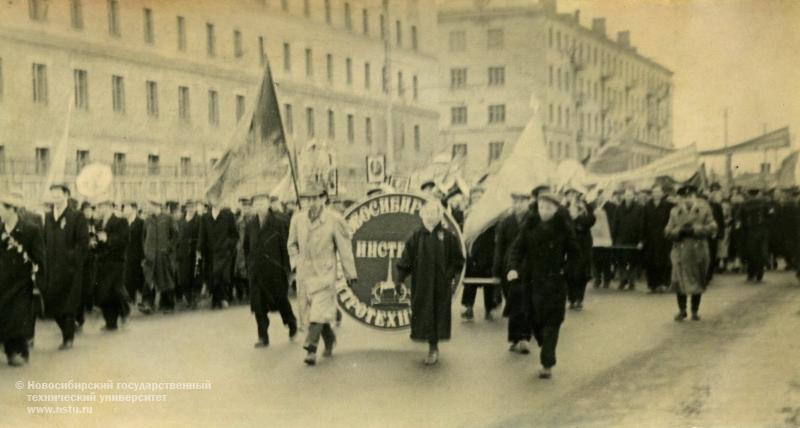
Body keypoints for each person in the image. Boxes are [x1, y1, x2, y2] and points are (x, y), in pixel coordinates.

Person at [507, 190, 579, 379]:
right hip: (532, 281)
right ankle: (543, 344)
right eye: (541, 207)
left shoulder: (563, 228)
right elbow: (516, 249)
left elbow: (575, 254)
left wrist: (566, 271)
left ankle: (547, 362)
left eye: (548, 208)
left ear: (555, 209)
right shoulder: (529, 225)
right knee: (534, 319)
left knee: (552, 322)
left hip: (555, 283)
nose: (544, 211)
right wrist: (513, 268)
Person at [288, 184, 357, 366]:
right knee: (315, 313)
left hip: (325, 272)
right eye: (308, 199)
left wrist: (351, 273)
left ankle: (311, 348)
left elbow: (345, 248)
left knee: (318, 311)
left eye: (316, 199)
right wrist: (296, 263)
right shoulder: (297, 220)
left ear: (323, 199)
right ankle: (329, 338)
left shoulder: (334, 220)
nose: (312, 203)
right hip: (305, 273)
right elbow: (292, 245)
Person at [396, 200, 464, 365]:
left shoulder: (448, 237)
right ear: (423, 215)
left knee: (437, 315)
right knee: (424, 313)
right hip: (422, 285)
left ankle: (434, 348)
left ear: (440, 215)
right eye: (428, 213)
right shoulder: (417, 236)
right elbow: (406, 260)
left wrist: (449, 276)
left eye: (434, 213)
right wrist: (400, 280)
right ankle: (430, 343)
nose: (431, 216)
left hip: (441, 286)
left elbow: (458, 261)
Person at [245, 193, 297, 347]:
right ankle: (263, 337)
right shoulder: (250, 225)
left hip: (275, 272)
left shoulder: (279, 223)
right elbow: (246, 248)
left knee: (281, 301)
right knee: (258, 306)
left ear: (268, 204)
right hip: (256, 272)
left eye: (262, 202)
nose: (259, 206)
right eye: (256, 203)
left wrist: (288, 269)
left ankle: (291, 322)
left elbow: (287, 247)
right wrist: (249, 267)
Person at [43, 183, 89, 350]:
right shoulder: (48, 217)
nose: (55, 198)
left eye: (58, 194)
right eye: (53, 194)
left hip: (70, 270)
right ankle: (68, 331)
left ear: (67, 195)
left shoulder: (76, 216)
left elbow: (84, 243)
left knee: (68, 304)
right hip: (52, 269)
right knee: (53, 303)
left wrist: (72, 260)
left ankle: (68, 339)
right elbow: (45, 241)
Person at [0, 191, 44, 366]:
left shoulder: (30, 229)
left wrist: (40, 282)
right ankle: (10, 350)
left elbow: (40, 257)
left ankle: (20, 352)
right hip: (2, 281)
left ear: (11, 209)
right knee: (4, 316)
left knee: (17, 317)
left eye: (1, 209)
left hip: (21, 282)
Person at [665, 185, 717, 321]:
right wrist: (677, 231)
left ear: (695, 197)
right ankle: (682, 310)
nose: (687, 199)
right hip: (680, 249)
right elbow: (667, 230)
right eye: (684, 197)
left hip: (697, 249)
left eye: (690, 196)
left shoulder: (704, 210)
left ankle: (694, 310)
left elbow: (713, 226)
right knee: (678, 279)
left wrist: (698, 229)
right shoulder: (674, 212)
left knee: (697, 279)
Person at [494, 191, 532, 354]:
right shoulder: (506, 222)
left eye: (521, 202)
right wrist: (496, 269)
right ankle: (515, 338)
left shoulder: (534, 221)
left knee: (525, 303)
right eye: (515, 202)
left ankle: (524, 338)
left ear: (528, 202)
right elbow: (499, 247)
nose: (518, 205)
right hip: (508, 268)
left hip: (528, 268)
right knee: (513, 302)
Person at [92, 199, 130, 330]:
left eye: (101, 206)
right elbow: (98, 242)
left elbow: (124, 240)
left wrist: (108, 238)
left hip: (116, 261)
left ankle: (125, 312)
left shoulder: (120, 221)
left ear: (109, 206)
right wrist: (94, 244)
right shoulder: (98, 223)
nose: (99, 210)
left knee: (115, 290)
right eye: (98, 207)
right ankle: (110, 322)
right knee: (104, 293)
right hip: (102, 262)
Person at [199, 199, 239, 309]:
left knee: (224, 276)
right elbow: (202, 235)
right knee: (213, 275)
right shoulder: (205, 217)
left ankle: (224, 298)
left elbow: (234, 235)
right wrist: (201, 249)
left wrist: (228, 246)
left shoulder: (228, 215)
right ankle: (215, 299)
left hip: (224, 252)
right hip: (210, 253)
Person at [141, 199, 178, 314]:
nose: (150, 208)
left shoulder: (168, 219)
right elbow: (143, 237)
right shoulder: (147, 220)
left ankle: (168, 305)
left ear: (158, 206)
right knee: (149, 279)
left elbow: (175, 235)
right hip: (151, 256)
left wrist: (169, 248)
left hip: (164, 256)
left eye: (152, 206)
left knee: (166, 280)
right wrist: (146, 250)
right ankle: (148, 304)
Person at [565, 188, 595, 309]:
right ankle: (571, 298)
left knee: (582, 272)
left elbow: (591, 220)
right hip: (568, 245)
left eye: (574, 194)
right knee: (569, 273)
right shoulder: (563, 207)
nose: (572, 196)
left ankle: (579, 298)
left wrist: (577, 218)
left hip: (583, 244)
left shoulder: (584, 206)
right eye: (569, 194)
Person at [642, 185, 674, 293]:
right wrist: (643, 238)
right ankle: (652, 284)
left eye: (658, 192)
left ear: (662, 194)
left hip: (664, 238)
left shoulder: (668, 206)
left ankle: (664, 283)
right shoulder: (647, 206)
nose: (656, 194)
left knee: (664, 261)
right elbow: (643, 223)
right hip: (650, 239)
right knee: (650, 262)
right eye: (654, 192)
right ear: (652, 193)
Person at [612, 188, 644, 290]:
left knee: (633, 261)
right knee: (621, 261)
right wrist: (614, 238)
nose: (628, 196)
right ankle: (623, 280)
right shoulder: (618, 208)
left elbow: (642, 225)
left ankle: (631, 281)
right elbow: (615, 224)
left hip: (634, 238)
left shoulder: (639, 208)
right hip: (621, 238)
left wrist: (641, 240)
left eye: (630, 195)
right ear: (624, 196)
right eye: (627, 195)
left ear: (634, 196)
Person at [740, 188, 771, 282]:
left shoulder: (744, 204)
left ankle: (751, 273)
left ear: (749, 194)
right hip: (762, 230)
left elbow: (741, 218)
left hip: (750, 231)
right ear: (758, 193)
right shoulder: (764, 203)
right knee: (761, 251)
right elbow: (770, 215)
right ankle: (760, 274)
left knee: (751, 252)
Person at [176, 200, 201, 309]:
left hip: (195, 251)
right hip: (183, 252)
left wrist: (199, 250)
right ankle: (188, 296)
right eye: (189, 206)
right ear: (185, 208)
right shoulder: (180, 220)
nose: (191, 209)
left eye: (193, 206)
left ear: (195, 208)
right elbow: (177, 236)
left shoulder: (199, 220)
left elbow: (202, 235)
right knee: (184, 277)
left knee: (195, 276)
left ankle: (193, 300)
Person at [590, 189, 615, 289]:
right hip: (595, 238)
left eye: (603, 196)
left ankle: (607, 280)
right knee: (596, 260)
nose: (601, 198)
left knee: (606, 260)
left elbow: (613, 220)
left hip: (606, 238)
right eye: (599, 196)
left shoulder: (611, 207)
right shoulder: (593, 206)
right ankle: (597, 279)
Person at [123, 202, 145, 306]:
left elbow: (143, 240)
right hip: (127, 255)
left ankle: (142, 299)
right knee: (128, 277)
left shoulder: (141, 222)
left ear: (134, 209)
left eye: (127, 208)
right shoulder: (124, 223)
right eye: (124, 209)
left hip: (137, 254)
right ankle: (131, 299)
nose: (125, 211)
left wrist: (143, 256)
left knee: (139, 277)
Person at [233, 197, 253, 304]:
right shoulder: (239, 221)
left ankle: (251, 294)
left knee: (250, 270)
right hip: (240, 248)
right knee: (240, 271)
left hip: (251, 248)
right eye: (244, 207)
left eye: (248, 207)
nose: (246, 209)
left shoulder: (255, 219)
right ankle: (241, 294)